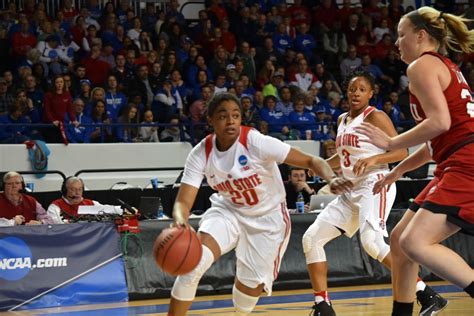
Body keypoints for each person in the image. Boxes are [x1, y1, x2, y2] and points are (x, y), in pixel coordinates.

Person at [167, 93, 352, 316]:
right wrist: (179, 221)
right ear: (211, 120)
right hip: (228, 212)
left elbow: (312, 160)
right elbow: (184, 201)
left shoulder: (256, 142)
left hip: (268, 220)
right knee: (193, 266)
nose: (231, 121)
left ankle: (243, 288)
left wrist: (332, 178)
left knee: (245, 301)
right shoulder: (201, 153)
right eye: (223, 116)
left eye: (236, 116)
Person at [356, 7, 474, 316]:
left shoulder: (421, 66)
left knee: (415, 243)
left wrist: (392, 142)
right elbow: (436, 144)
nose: (396, 43)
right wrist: (396, 172)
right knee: (398, 240)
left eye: (400, 35)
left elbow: (440, 122)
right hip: (456, 158)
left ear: (420, 36)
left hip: (467, 161)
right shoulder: (441, 65)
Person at [302, 70, 447, 316]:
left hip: (375, 183)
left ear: (371, 93)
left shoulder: (376, 116)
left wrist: (374, 159)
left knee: (372, 242)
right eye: (352, 89)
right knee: (311, 238)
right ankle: (322, 306)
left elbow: (401, 152)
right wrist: (321, 164)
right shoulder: (342, 120)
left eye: (361, 89)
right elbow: (344, 158)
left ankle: (425, 293)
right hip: (351, 189)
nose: (356, 93)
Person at [47, 176, 128, 224]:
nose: (77, 193)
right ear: (65, 190)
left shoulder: (89, 203)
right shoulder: (55, 206)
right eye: (73, 189)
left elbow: (107, 209)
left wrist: (124, 210)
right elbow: (56, 225)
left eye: (80, 189)